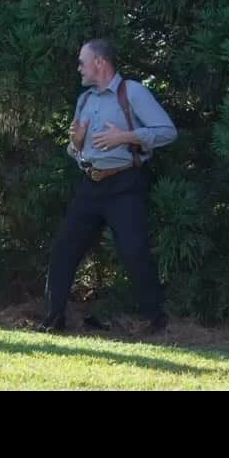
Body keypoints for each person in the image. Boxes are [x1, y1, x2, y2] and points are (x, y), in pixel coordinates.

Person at [39, 40, 178, 335]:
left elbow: (167, 131)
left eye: (82, 61)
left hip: (125, 184)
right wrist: (75, 146)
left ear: (99, 63)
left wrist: (126, 136)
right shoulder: (85, 99)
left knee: (133, 250)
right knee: (64, 248)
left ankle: (157, 321)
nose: (79, 67)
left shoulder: (133, 92)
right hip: (90, 185)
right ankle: (53, 319)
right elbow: (75, 149)